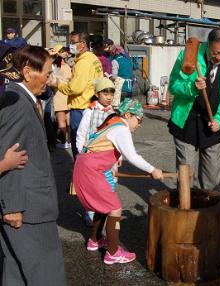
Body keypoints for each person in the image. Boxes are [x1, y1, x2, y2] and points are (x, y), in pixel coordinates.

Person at [0, 45, 66, 285]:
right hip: (28, 209)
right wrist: (12, 207)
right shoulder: (17, 102)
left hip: (29, 205)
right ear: (28, 73)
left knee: (17, 271)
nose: (50, 80)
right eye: (47, 73)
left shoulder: (23, 97)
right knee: (45, 274)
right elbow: (10, 156)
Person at [73, 98, 163, 264]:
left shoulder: (112, 123)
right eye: (139, 119)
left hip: (86, 167)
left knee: (103, 206)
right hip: (92, 171)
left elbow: (106, 149)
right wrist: (153, 170)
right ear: (128, 115)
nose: (139, 124)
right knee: (115, 208)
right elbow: (132, 156)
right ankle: (113, 253)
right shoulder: (121, 128)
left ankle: (95, 240)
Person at [168, 28, 220, 190]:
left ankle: (208, 213)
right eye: (216, 52)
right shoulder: (189, 55)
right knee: (185, 175)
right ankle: (185, 209)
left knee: (211, 177)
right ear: (208, 45)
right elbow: (173, 85)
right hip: (186, 121)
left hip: (212, 124)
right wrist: (191, 87)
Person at [52, 31, 103, 158]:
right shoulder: (93, 58)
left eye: (73, 42)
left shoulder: (83, 62)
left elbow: (75, 88)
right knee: (89, 143)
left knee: (79, 144)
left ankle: (80, 172)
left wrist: (57, 83)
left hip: (81, 106)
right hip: (91, 103)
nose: (71, 46)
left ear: (83, 44)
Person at [76, 77, 116, 226]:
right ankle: (91, 213)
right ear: (97, 94)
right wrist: (81, 153)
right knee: (93, 186)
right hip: (92, 156)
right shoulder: (90, 111)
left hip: (109, 157)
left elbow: (117, 135)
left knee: (109, 183)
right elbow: (81, 132)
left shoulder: (114, 112)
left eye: (111, 94)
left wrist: (119, 155)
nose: (109, 97)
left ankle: (104, 210)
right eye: (105, 93)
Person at [52, 45, 72, 149]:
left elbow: (52, 81)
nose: (65, 53)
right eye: (62, 51)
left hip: (58, 94)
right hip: (67, 93)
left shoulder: (55, 65)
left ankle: (65, 141)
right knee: (68, 119)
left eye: (65, 51)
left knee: (61, 120)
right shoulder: (67, 65)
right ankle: (70, 140)